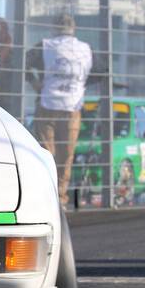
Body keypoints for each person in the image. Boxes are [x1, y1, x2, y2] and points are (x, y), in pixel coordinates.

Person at [25, 13, 93, 205]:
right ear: (74, 29)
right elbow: (100, 71)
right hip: (73, 107)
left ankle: (44, 195)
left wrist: (35, 82)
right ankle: (60, 198)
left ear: (54, 28)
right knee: (66, 155)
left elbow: (24, 62)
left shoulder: (46, 46)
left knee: (46, 152)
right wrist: (81, 86)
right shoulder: (86, 49)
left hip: (47, 103)